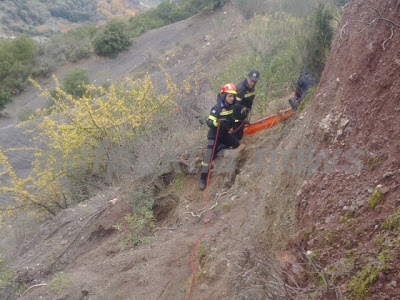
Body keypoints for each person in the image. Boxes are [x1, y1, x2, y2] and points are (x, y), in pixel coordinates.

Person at [199, 83, 241, 190]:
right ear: (224, 96)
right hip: (214, 135)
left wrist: (241, 120)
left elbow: (233, 120)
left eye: (233, 96)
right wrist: (218, 123)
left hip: (224, 134)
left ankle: (220, 148)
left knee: (236, 144)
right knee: (208, 158)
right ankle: (202, 179)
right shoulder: (217, 108)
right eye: (229, 96)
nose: (232, 98)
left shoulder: (232, 107)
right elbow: (209, 122)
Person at [232, 69, 260, 140]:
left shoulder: (252, 88)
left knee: (240, 133)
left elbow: (249, 101)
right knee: (236, 133)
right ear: (248, 78)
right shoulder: (241, 88)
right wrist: (243, 113)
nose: (253, 83)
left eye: (255, 82)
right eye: (251, 81)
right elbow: (235, 105)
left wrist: (247, 112)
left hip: (243, 114)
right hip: (236, 115)